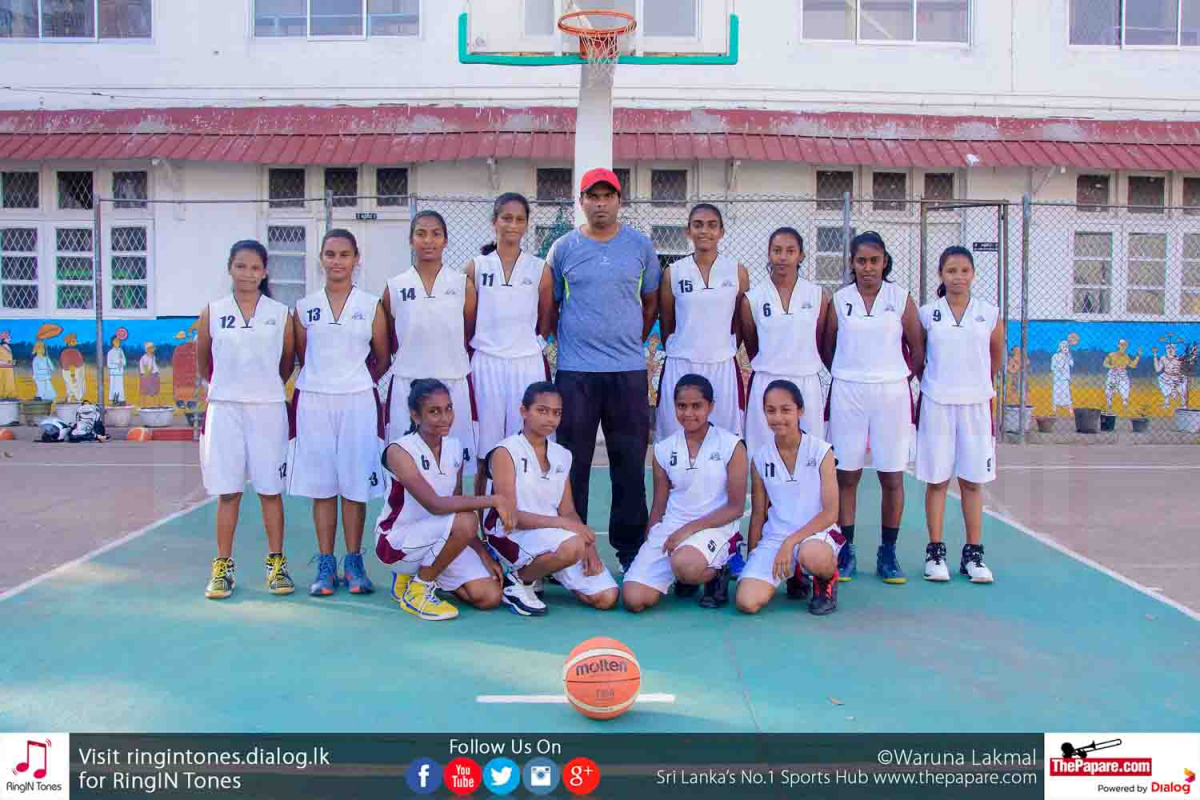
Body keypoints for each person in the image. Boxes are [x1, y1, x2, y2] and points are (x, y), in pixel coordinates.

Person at [548, 168, 661, 572]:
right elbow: (552, 304)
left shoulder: (640, 246)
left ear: (619, 201)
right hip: (576, 372)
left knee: (628, 464)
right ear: (581, 202)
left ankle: (630, 551)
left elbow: (650, 302)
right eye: (592, 197)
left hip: (627, 372)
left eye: (607, 196)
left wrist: (630, 340)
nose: (600, 204)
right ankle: (569, 549)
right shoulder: (563, 248)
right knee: (571, 464)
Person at [289, 229, 391, 597]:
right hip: (315, 401)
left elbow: (382, 357)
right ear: (321, 259)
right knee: (323, 486)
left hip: (357, 401)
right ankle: (326, 563)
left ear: (355, 259)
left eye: (344, 255)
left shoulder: (371, 305)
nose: (337, 261)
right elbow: (302, 356)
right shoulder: (305, 307)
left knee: (354, 484)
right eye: (330, 254)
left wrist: (354, 381)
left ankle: (354, 562)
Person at [822, 231, 925, 584]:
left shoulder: (901, 298)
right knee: (846, 474)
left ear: (884, 262)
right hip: (848, 391)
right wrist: (849, 372)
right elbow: (827, 346)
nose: (868, 267)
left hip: (891, 393)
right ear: (852, 263)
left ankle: (888, 553)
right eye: (861, 261)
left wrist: (896, 375)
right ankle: (846, 550)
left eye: (874, 261)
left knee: (891, 475)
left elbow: (917, 347)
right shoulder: (840, 300)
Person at [196, 240, 296, 600]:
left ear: (265, 272)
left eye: (255, 268)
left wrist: (262, 388)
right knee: (228, 492)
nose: (248, 274)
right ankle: (222, 566)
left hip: (267, 409)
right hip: (225, 409)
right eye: (241, 266)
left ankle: (276, 563)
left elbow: (286, 364)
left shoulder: (280, 314)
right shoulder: (212, 312)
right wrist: (231, 389)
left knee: (270, 490)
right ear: (230, 268)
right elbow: (204, 364)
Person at [373, 379, 511, 621]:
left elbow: (456, 503)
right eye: (434, 411)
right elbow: (436, 505)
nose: (445, 418)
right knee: (466, 520)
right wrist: (494, 500)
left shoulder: (454, 447)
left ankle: (425, 574)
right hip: (397, 544)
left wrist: (483, 553)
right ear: (415, 415)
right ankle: (418, 590)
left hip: (441, 538)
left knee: (489, 597)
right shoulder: (399, 451)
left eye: (448, 409)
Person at [483, 381, 620, 616]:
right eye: (542, 411)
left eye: (556, 413)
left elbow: (568, 511)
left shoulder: (561, 455)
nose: (550, 419)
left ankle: (541, 569)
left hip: (554, 536)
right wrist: (566, 527)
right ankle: (518, 581)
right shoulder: (505, 452)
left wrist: (590, 549)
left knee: (606, 597)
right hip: (509, 533)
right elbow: (510, 516)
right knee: (572, 545)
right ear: (524, 411)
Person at [914, 247, 1003, 584]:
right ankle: (935, 553)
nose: (958, 277)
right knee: (937, 480)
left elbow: (995, 356)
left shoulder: (988, 314)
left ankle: (973, 555)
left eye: (964, 270)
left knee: (971, 481)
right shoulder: (927, 314)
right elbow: (919, 357)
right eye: (951, 271)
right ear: (941, 275)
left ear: (973, 274)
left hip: (975, 406)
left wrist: (975, 383)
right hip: (937, 403)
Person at [623, 374, 746, 612]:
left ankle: (717, 572)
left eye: (696, 406)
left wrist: (688, 530)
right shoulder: (663, 449)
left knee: (685, 565)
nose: (688, 413)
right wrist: (649, 543)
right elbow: (659, 506)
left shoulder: (731, 445)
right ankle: (683, 575)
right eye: (682, 406)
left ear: (710, 406)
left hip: (715, 526)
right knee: (634, 599)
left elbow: (735, 508)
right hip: (672, 526)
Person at [382, 211, 479, 474]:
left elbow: (468, 333)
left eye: (436, 234)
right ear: (410, 240)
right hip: (408, 383)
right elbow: (391, 337)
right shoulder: (395, 287)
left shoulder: (462, 285)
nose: (428, 240)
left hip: (452, 382)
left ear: (445, 241)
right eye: (421, 234)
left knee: (453, 465)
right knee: (405, 467)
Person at [468, 193, 555, 486]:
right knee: (486, 446)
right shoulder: (477, 267)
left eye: (519, 219)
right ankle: (483, 513)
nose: (512, 225)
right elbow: (468, 319)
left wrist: (532, 345)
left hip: (525, 364)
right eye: (506, 218)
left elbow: (546, 318)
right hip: (487, 363)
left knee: (526, 442)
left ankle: (523, 509)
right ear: (494, 221)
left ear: (527, 224)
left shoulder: (540, 268)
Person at [736, 380, 842, 616]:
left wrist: (790, 542)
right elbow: (758, 514)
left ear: (799, 411)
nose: (778, 418)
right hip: (776, 538)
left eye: (786, 410)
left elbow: (830, 513)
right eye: (771, 410)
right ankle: (796, 574)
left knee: (812, 555)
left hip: (816, 535)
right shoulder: (761, 458)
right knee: (746, 602)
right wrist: (752, 557)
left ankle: (824, 581)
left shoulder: (821, 451)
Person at [655, 204, 749, 440]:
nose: (704, 231)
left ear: (721, 232)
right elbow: (667, 322)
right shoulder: (673, 273)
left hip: (721, 364)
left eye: (711, 225)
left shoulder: (737, 272)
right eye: (698, 225)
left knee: (724, 439)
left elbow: (740, 320)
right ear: (688, 231)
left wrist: (725, 346)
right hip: (681, 362)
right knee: (675, 438)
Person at [740, 227, 830, 456]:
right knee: (762, 455)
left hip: (806, 382)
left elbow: (821, 340)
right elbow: (751, 344)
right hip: (767, 380)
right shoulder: (753, 298)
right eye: (777, 250)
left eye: (790, 251)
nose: (783, 257)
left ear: (801, 255)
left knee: (809, 455)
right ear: (769, 254)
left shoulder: (818, 296)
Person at [1103, 339, 1141, 413]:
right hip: (1113, 374)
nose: (1123, 346)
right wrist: (1112, 366)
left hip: (1123, 375)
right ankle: (1109, 404)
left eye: (1125, 345)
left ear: (1126, 346)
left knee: (1126, 388)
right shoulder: (1111, 354)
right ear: (1118, 345)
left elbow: (1133, 365)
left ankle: (1125, 405)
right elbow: (1105, 364)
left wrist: (1138, 355)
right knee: (1109, 389)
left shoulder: (1126, 356)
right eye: (1122, 344)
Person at [1050, 340, 1074, 416]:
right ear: (1060, 347)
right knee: (1056, 393)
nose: (1065, 348)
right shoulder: (1055, 356)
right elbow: (1052, 367)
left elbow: (1072, 364)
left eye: (1066, 346)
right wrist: (1058, 369)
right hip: (1057, 378)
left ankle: (1070, 410)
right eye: (1063, 346)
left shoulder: (1068, 356)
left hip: (1065, 378)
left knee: (1067, 393)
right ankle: (1055, 410)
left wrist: (1068, 356)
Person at [105, 336, 125, 403]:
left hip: (120, 373)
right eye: (116, 341)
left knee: (120, 387)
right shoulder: (110, 352)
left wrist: (121, 362)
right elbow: (109, 364)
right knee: (114, 387)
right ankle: (114, 400)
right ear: (112, 342)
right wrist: (117, 365)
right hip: (113, 373)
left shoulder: (121, 351)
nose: (117, 342)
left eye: (118, 341)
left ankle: (121, 399)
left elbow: (124, 362)